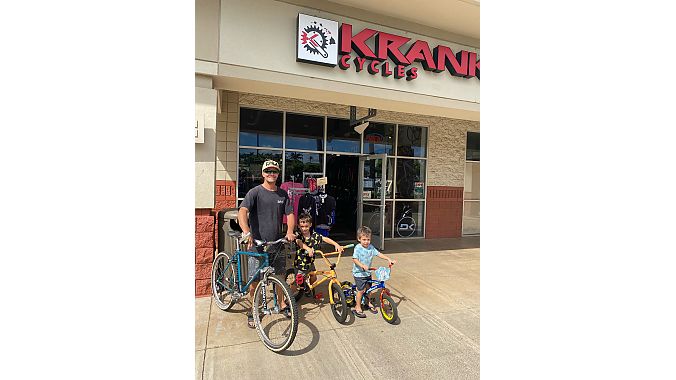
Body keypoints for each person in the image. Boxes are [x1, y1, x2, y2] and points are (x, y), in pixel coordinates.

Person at [238, 159, 296, 328]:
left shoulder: (283, 194)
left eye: (275, 171)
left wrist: (290, 231)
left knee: (280, 276)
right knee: (255, 281)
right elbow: (242, 211)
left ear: (278, 174)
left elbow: (290, 214)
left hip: (277, 243)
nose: (272, 174)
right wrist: (246, 231)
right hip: (258, 245)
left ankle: (281, 304)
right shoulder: (255, 192)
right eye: (268, 171)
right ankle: (253, 309)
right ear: (263, 173)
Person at [291, 213, 344, 295]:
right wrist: (308, 249)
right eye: (302, 226)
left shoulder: (314, 235)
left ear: (310, 225)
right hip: (301, 265)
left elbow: (324, 238)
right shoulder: (299, 235)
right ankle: (288, 296)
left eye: (306, 226)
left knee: (314, 277)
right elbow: (299, 242)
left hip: (310, 263)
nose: (304, 229)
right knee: (298, 283)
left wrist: (336, 244)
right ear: (298, 226)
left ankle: (308, 288)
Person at [351, 226, 396, 318]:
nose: (366, 242)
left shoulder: (371, 247)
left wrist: (388, 259)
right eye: (364, 239)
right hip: (359, 273)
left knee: (369, 290)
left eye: (368, 239)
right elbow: (354, 259)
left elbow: (378, 254)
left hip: (367, 273)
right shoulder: (358, 248)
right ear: (359, 239)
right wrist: (362, 265)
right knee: (361, 290)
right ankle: (357, 306)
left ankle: (368, 303)